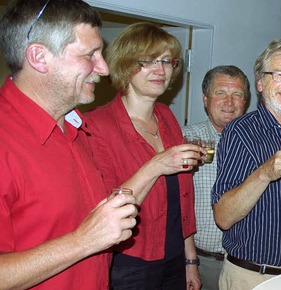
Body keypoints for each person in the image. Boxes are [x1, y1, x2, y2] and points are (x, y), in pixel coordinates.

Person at [0, 0, 138, 289]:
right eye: (90, 55)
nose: (103, 69)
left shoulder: (76, 126)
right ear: (39, 57)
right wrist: (85, 240)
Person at [85, 22, 202, 289]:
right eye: (148, 61)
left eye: (166, 61)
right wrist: (157, 165)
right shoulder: (97, 126)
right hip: (130, 261)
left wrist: (190, 259)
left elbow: (183, 198)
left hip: (174, 257)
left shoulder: (167, 117)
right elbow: (104, 209)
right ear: (125, 65)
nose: (160, 70)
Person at [212, 39, 281, 290]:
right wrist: (265, 172)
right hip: (253, 277)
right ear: (261, 83)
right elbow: (223, 216)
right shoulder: (240, 131)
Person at [182, 65, 250, 290]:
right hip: (202, 263)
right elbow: (176, 206)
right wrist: (189, 261)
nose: (229, 102)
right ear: (205, 99)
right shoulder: (186, 139)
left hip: (247, 263)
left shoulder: (259, 142)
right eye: (220, 93)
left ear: (246, 101)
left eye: (237, 94)